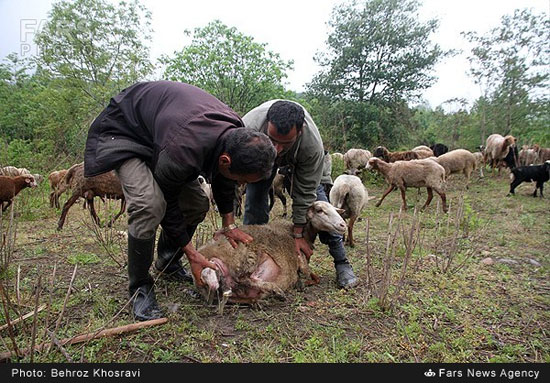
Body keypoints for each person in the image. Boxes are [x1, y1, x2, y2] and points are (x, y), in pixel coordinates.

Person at [84, 81, 276, 321]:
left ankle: (167, 262)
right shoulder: (184, 149)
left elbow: (225, 178)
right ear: (226, 160)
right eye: (241, 180)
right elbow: (169, 200)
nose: (240, 185)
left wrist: (229, 224)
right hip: (125, 132)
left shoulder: (236, 133)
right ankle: (140, 287)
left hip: (163, 137)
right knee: (149, 204)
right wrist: (192, 253)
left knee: (197, 203)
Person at [242, 100, 358, 289]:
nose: (277, 148)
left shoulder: (311, 145)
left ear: (300, 131)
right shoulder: (248, 128)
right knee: (254, 202)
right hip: (260, 158)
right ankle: (251, 259)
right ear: (266, 126)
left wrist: (298, 235)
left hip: (304, 162)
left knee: (320, 205)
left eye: (284, 142)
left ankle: (342, 262)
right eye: (272, 140)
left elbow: (305, 192)